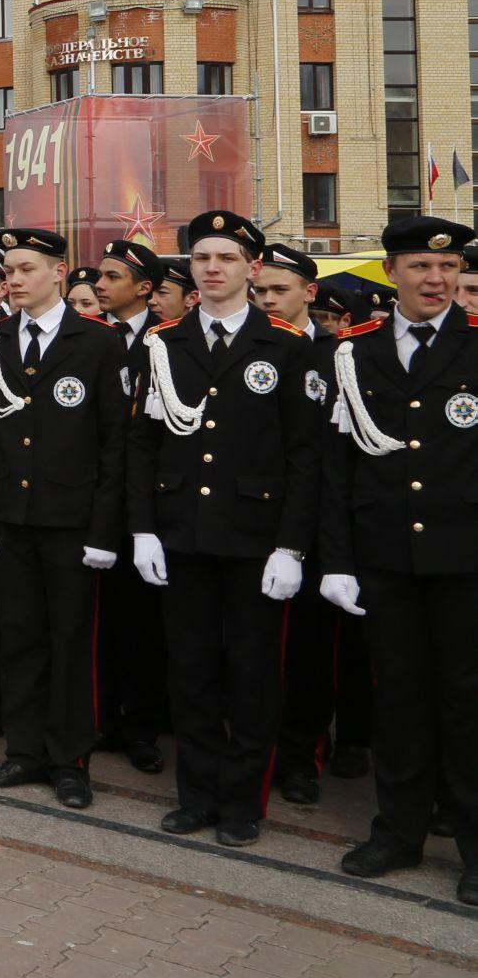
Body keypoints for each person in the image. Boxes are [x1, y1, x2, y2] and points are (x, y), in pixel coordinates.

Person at [122, 210, 318, 847]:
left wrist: (291, 546)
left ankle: (242, 802)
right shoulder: (165, 343)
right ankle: (197, 795)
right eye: (203, 257)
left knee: (253, 674)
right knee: (192, 670)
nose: (212, 268)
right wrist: (143, 528)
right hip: (183, 533)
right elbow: (142, 443)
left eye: (227, 258)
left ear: (251, 269)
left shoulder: (287, 347)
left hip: (255, 540)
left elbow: (303, 456)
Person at [320, 213, 478, 904]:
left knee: (468, 706)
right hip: (385, 552)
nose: (436, 279)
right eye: (419, 266)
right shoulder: (355, 352)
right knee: (400, 701)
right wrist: (337, 559)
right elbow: (337, 468)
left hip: (465, 556)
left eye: (447, 268)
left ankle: (474, 847)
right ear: (391, 274)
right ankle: (398, 832)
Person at [0, 226, 130, 811]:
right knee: (20, 638)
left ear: (59, 273)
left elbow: (115, 445)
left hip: (71, 520)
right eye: (9, 269)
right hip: (12, 515)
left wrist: (105, 531)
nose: (13, 279)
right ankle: (24, 750)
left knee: (70, 642)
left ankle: (69, 759)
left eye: (26, 269)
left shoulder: (98, 342)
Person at [253, 242, 372, 805]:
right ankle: (256, 748)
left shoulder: (339, 353)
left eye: (281, 290)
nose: (270, 300)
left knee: (309, 653)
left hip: (320, 522)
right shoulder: (252, 346)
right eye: (262, 291)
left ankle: (302, 756)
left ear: (310, 293)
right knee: (253, 653)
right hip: (256, 520)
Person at [91, 238, 171, 776]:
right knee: (97, 619)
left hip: (146, 505)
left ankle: (141, 726)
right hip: (92, 500)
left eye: (112, 277)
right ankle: (100, 718)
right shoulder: (89, 337)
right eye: (99, 275)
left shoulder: (167, 343)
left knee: (143, 625)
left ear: (143, 288)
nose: (99, 284)